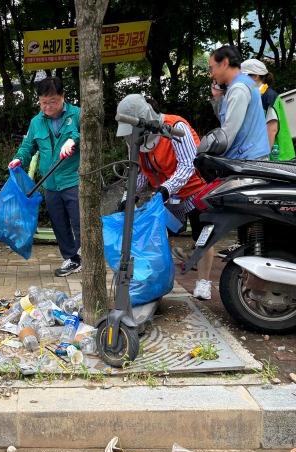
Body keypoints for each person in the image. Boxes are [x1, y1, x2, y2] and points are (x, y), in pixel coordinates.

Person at [115, 94, 215, 300]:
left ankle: (204, 282)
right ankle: (160, 280)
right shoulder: (137, 140)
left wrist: (166, 188)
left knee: (202, 237)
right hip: (168, 194)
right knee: (160, 235)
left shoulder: (175, 127)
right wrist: (130, 195)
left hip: (195, 189)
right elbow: (141, 171)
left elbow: (188, 165)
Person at [9, 77, 81, 276]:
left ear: (63, 97)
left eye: (53, 102)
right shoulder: (36, 122)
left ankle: (87, 256)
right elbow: (28, 146)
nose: (48, 107)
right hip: (50, 182)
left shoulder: (77, 115)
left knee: (80, 221)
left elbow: (91, 137)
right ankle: (71, 259)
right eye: (43, 102)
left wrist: (74, 139)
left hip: (74, 179)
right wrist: (18, 159)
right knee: (59, 223)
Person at [208, 45, 270, 160]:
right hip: (251, 157)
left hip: (247, 162)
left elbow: (229, 132)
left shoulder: (239, 89)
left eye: (211, 69)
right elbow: (229, 119)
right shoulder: (243, 83)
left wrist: (209, 154)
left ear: (225, 63)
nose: (211, 74)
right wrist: (218, 97)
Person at [241, 58, 295, 161]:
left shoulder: (268, 96)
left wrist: (264, 160)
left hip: (278, 158)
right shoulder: (257, 96)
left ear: (256, 76)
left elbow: (272, 130)